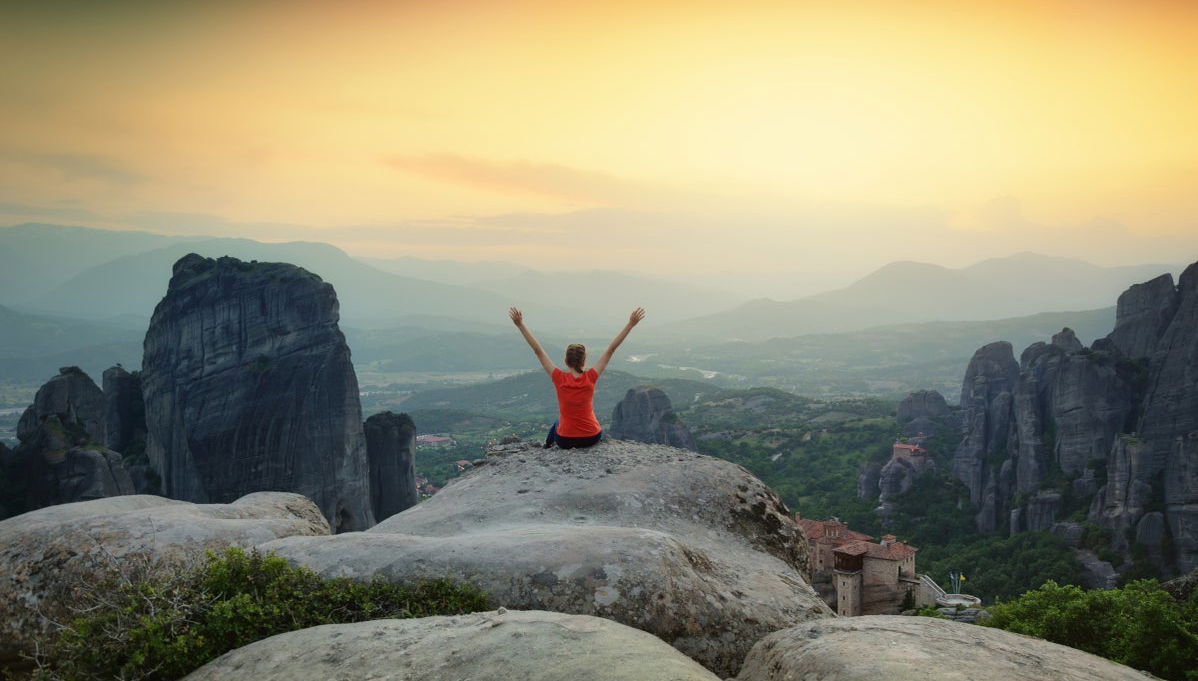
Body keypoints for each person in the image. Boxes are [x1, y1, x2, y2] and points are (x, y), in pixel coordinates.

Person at [509, 306, 646, 449]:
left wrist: (520, 325)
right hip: (591, 437)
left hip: (565, 440)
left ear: (566, 361)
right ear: (584, 361)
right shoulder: (591, 377)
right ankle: (549, 444)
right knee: (565, 422)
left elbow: (538, 351)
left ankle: (547, 446)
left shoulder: (558, 377)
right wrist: (630, 324)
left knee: (557, 423)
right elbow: (611, 350)